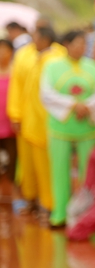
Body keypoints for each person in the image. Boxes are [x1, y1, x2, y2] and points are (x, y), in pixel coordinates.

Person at [40, 29, 95, 227]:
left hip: (87, 126)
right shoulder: (52, 67)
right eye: (77, 43)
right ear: (67, 44)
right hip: (61, 126)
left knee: (89, 173)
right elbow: (46, 93)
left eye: (83, 44)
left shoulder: (94, 67)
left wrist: (87, 106)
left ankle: (85, 215)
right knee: (59, 170)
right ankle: (59, 213)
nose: (81, 47)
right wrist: (73, 104)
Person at [8, 25, 66, 222]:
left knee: (47, 165)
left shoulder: (58, 58)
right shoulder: (25, 54)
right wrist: (15, 114)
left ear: (45, 39)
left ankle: (48, 204)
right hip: (28, 120)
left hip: (49, 121)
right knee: (27, 164)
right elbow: (16, 84)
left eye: (36, 35)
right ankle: (30, 198)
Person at [0, 39, 18, 202]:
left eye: (4, 50)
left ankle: (12, 193)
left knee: (13, 158)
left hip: (11, 123)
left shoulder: (15, 72)